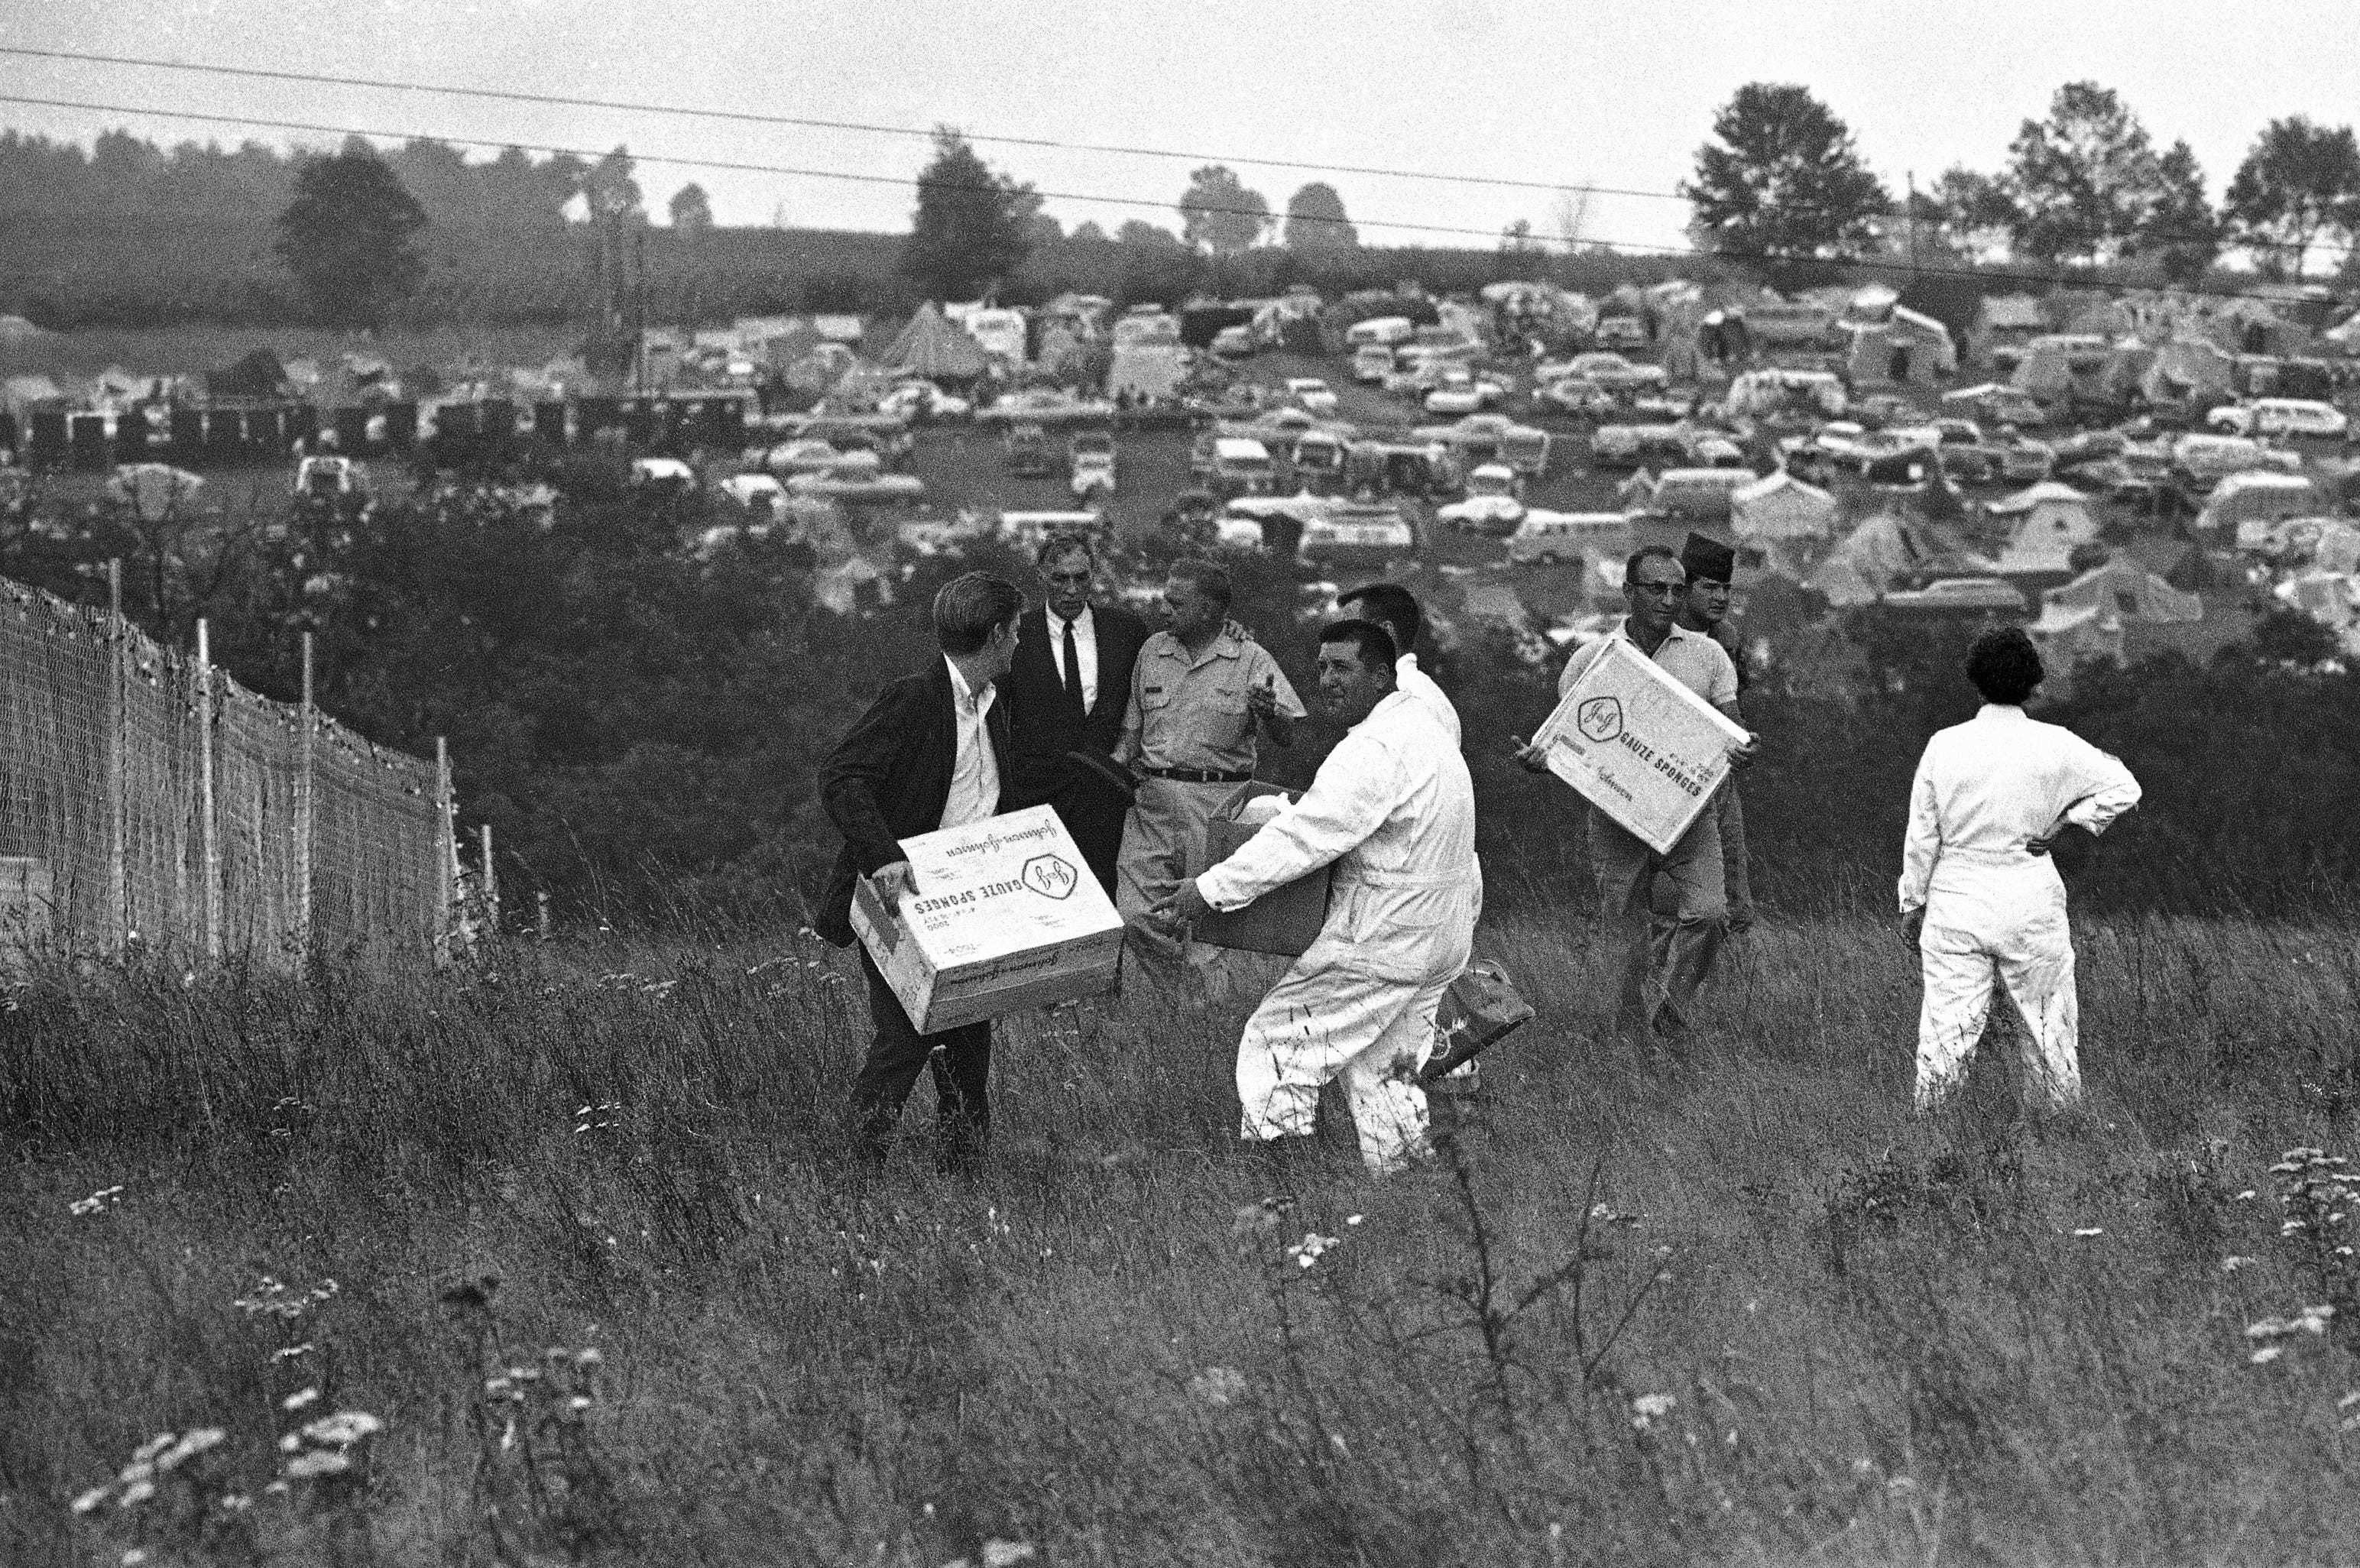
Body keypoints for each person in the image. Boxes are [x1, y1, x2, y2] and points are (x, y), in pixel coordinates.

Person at [1157, 619, 1478, 1175]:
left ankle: (1285, 1193)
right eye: (1322, 667)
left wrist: (1208, 891)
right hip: (1440, 931)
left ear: (1381, 675)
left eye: (1343, 668)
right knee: (1383, 1070)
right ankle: (1407, 1191)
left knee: (1278, 1043)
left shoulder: (1376, 747)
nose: (1327, 680)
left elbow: (1304, 838)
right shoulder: (1423, 719)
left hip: (1387, 932)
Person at [815, 572, 1024, 1173]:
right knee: (905, 1039)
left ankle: (964, 1177)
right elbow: (842, 777)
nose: (1020, 644)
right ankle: (852, 1175)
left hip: (973, 897)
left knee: (967, 1047)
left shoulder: (994, 700)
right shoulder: (913, 698)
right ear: (994, 634)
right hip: (904, 896)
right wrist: (883, 855)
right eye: (1016, 632)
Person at [1518, 546, 1754, 1050]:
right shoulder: (1591, 658)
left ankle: (1674, 1009)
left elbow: (1732, 728)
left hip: (1689, 817)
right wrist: (1542, 762)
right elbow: (1570, 739)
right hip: (1614, 818)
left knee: (1710, 915)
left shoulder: (1707, 655)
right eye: (1656, 589)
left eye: (1676, 589)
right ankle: (1630, 1043)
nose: (1669, 600)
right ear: (1628, 592)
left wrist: (1742, 748)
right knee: (1626, 937)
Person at [1898, 627, 2140, 1119]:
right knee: (2051, 1027)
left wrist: (1912, 903)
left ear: (1975, 683)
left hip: (1956, 897)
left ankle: (1930, 1136)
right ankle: (2061, 1129)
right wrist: (2068, 821)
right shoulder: (2056, 743)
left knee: (1946, 1033)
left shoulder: (1944, 745)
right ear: (2033, 683)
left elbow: (1922, 836)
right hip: (2030, 892)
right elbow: (2124, 787)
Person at [1114, 559, 1305, 993]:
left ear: (1208, 610)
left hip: (1216, 805)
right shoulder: (1152, 652)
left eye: (1175, 603)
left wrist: (1269, 713)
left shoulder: (1252, 658)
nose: (1164, 610)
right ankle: (1186, 993)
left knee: (1208, 929)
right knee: (1134, 914)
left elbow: (1287, 734)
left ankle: (1198, 1020)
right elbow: (1131, 734)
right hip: (1153, 805)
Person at [1000, 533, 1152, 895]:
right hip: (1036, 798)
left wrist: (1231, 631)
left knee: (1102, 899)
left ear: (1093, 575)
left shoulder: (1125, 631)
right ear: (1041, 575)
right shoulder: (1017, 634)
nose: (1071, 589)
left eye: (1080, 578)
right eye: (1060, 579)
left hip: (1104, 797)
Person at [1661, 533, 1755, 933]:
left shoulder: (1727, 637)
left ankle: (1731, 979)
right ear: (1686, 589)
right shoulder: (1661, 633)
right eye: (1710, 587)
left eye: (1727, 589)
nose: (1721, 597)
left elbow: (1735, 698)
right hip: (1668, 774)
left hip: (1719, 777)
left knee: (1733, 877)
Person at [1336, 582, 1458, 743]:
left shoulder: (1406, 698)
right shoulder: (1419, 692)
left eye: (1350, 632)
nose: (1338, 642)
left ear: (1386, 632)